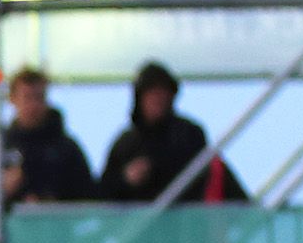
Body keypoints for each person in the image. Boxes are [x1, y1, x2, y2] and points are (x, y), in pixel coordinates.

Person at [102, 61, 247, 205]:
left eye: (164, 91)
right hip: (140, 225)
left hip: (188, 224)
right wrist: (126, 179)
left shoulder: (189, 135)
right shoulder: (125, 145)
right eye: (152, 92)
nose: (158, 98)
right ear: (140, 98)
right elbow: (101, 194)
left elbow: (212, 176)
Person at [0, 67, 97, 209]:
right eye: (27, 97)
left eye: (39, 97)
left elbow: (90, 199)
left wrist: (51, 202)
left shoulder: (66, 149)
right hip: (7, 230)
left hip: (55, 229)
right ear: (12, 99)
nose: (34, 105)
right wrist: (0, 189)